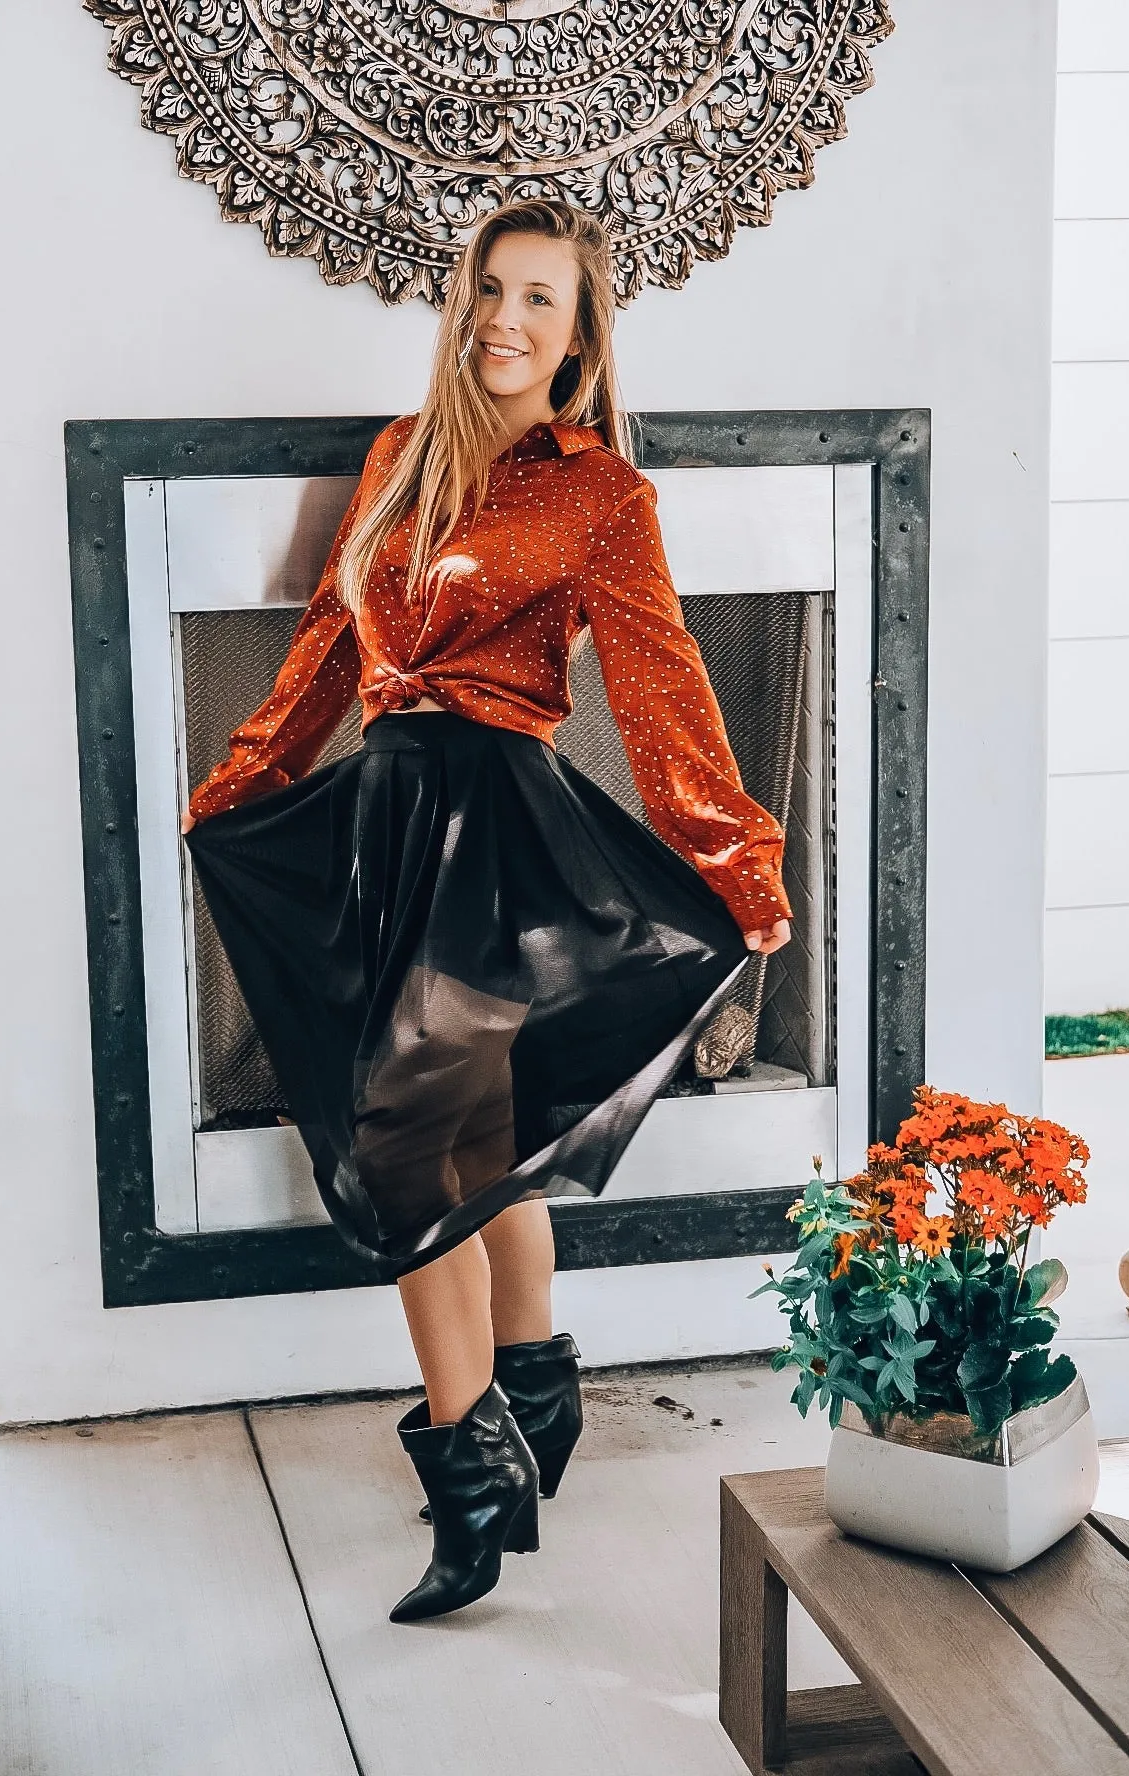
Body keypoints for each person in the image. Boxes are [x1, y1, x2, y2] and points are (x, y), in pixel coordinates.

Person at [182, 198, 792, 1625]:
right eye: (492, 292)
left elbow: (662, 688)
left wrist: (739, 862)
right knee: (466, 1134)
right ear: (463, 306)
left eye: (543, 302)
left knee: (413, 1144)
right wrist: (246, 776)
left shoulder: (599, 495)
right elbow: (332, 641)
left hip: (500, 828)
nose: (508, 320)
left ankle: (472, 1477)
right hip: (388, 812)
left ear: (580, 340)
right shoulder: (403, 458)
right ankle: (531, 1385)